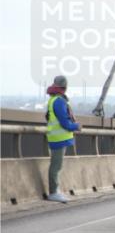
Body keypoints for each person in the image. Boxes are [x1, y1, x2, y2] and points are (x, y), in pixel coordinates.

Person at [45, 74, 80, 203]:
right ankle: (54, 192)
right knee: (56, 166)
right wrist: (76, 126)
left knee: (56, 165)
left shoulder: (53, 99)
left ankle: (55, 191)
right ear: (65, 87)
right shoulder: (59, 101)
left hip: (55, 137)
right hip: (59, 139)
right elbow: (65, 123)